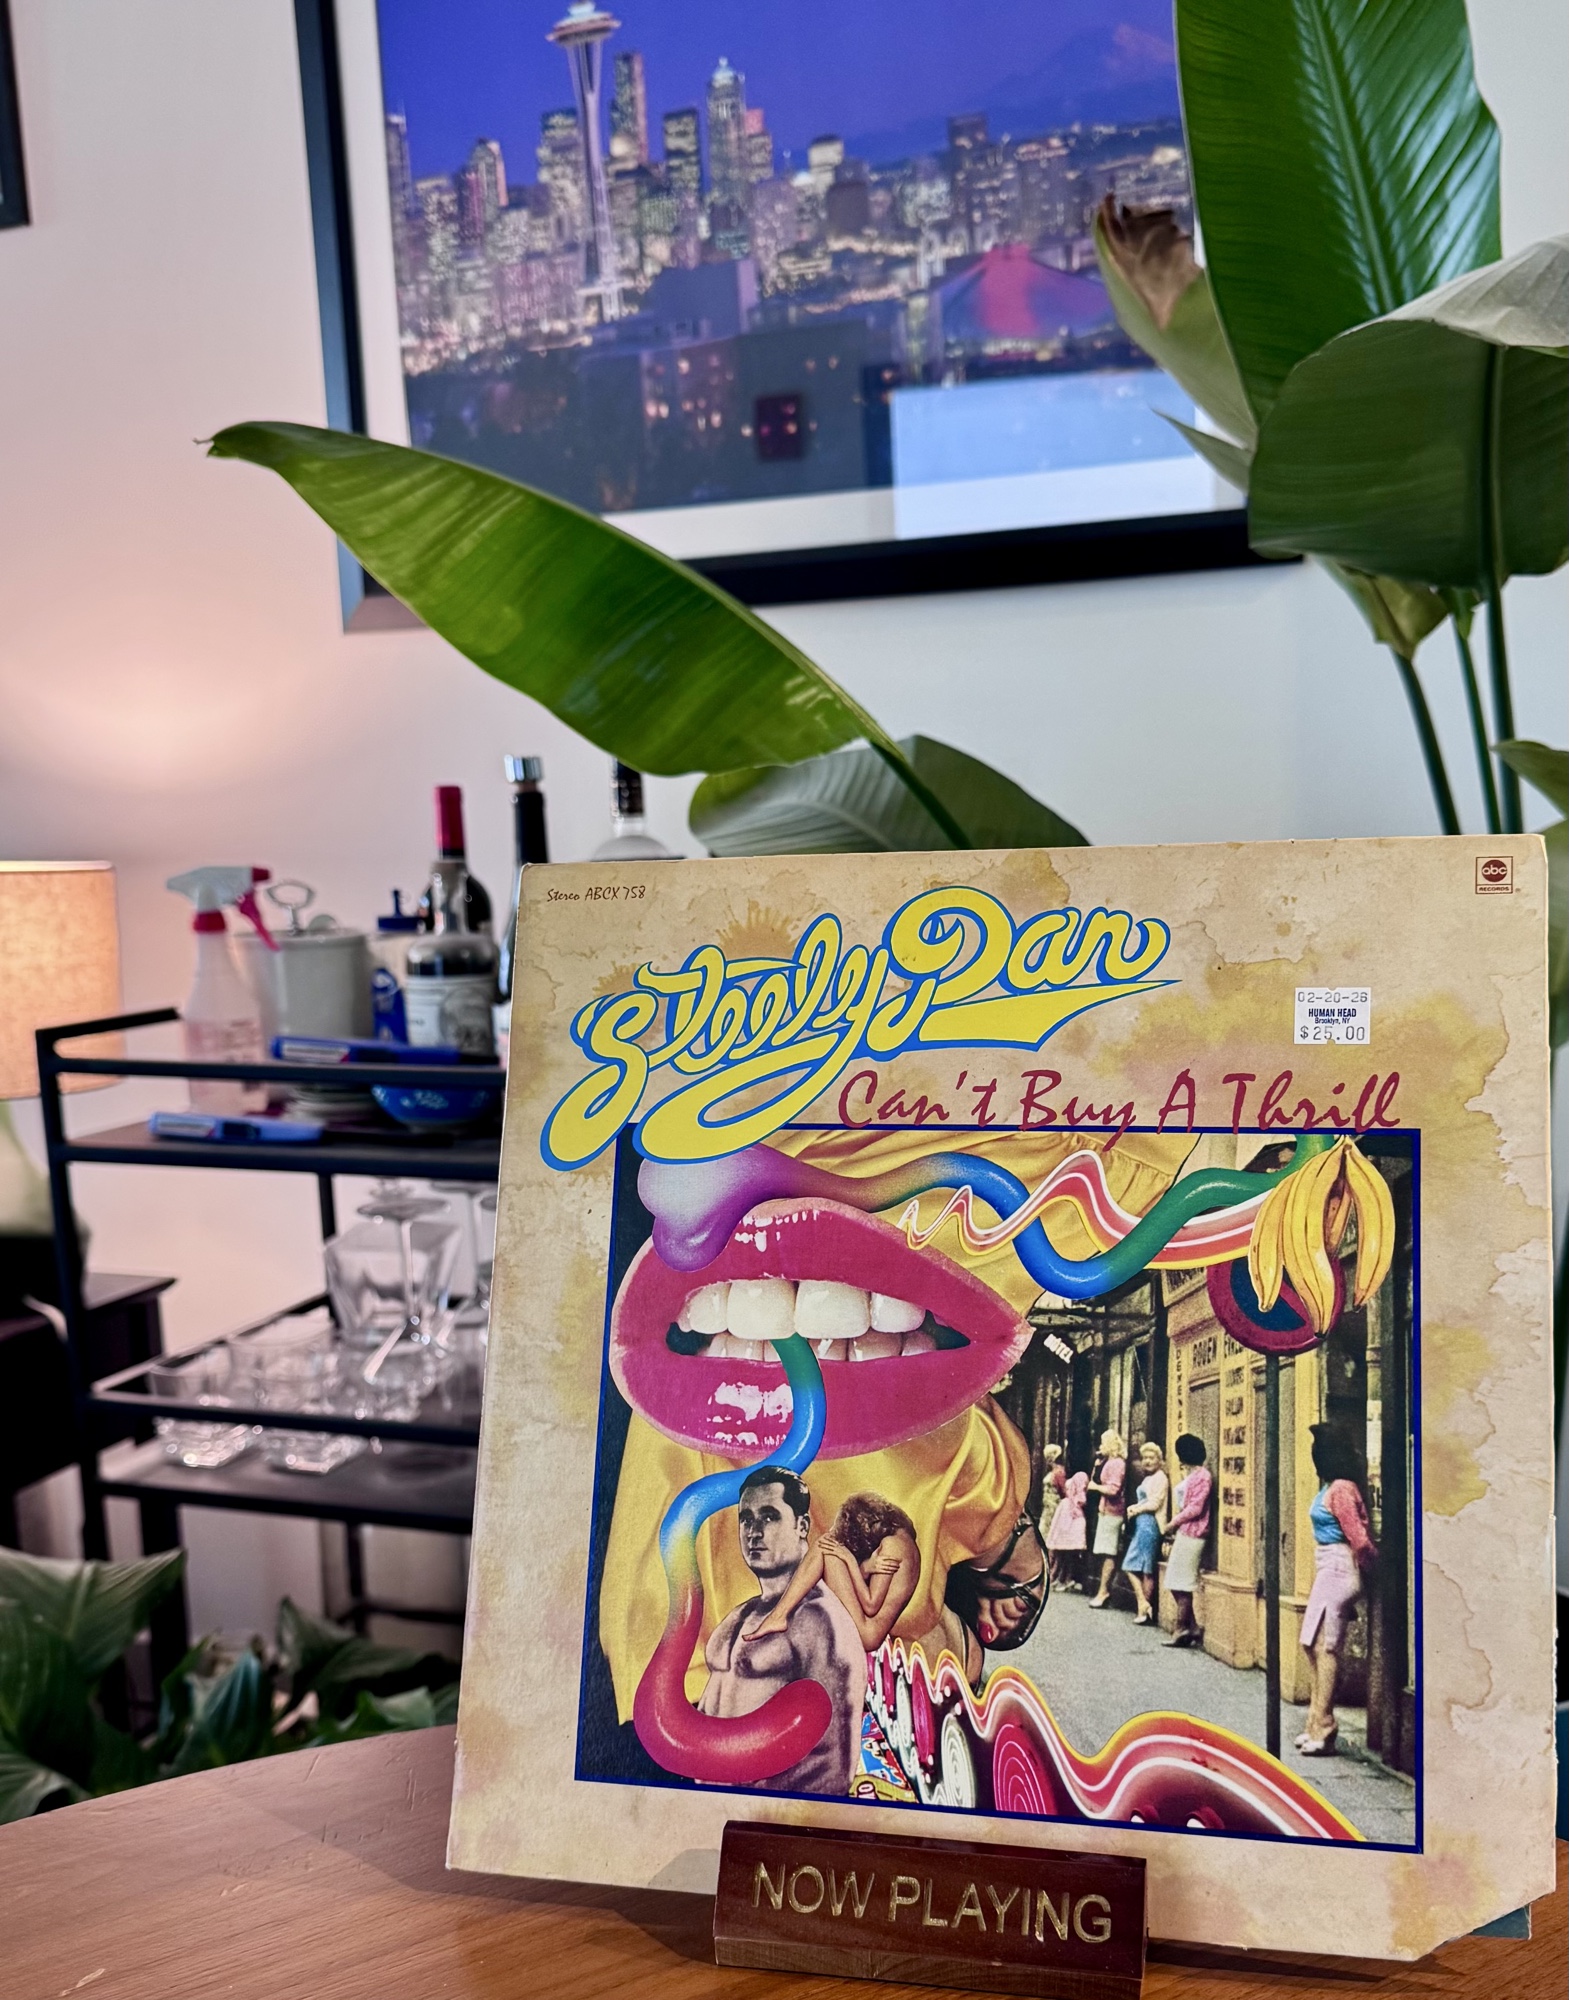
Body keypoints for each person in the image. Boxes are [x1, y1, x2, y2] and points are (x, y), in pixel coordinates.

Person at [698, 1465, 865, 1795]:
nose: (754, 1532)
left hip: (767, 1810)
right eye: (746, 1518)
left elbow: (836, 1761)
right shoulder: (742, 1613)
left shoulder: (820, 1619)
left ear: (802, 1526)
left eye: (769, 1516)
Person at [747, 1491, 920, 1654]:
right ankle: (779, 1615)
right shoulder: (905, 1542)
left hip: (866, 1632)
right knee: (827, 1545)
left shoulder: (891, 1545)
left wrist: (849, 1559)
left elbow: (871, 1605)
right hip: (868, 1629)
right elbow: (872, 1589)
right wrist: (865, 1567)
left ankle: (778, 1615)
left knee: (825, 1545)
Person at [1298, 1423, 1376, 1756]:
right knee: (1310, 1643)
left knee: (1326, 1647)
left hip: (1339, 1567)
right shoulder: (1331, 1486)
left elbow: (1359, 1539)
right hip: (1328, 1566)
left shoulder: (1341, 1489)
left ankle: (1324, 1723)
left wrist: (1372, 1571)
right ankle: (1315, 1720)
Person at [1160, 1434, 1212, 1647]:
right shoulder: (1194, 1474)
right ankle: (1192, 1626)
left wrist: (1173, 1523)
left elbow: (1195, 1508)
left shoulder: (1203, 1476)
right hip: (1186, 1532)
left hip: (1193, 1533)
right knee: (1175, 1580)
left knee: (1181, 1581)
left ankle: (1181, 1627)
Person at [1119, 1441, 1169, 1625]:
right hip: (1142, 1524)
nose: (1147, 1461)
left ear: (1159, 1460)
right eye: (1145, 1458)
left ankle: (1143, 1606)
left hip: (1150, 1525)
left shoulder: (1161, 1478)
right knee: (1135, 1566)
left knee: (1143, 1568)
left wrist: (1136, 1509)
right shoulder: (1148, 1478)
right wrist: (1135, 1508)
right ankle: (1144, 1606)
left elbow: (1155, 1503)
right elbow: (1146, 1500)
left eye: (1151, 1458)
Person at [1085, 1430, 1127, 1607]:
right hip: (1106, 1511)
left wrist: (1095, 1487)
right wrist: (1098, 1465)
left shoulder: (1116, 1463)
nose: (1100, 1446)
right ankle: (1102, 1590)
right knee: (1104, 1551)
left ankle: (1104, 1591)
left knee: (1109, 1552)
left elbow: (1113, 1489)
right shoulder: (1108, 1462)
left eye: (1103, 1442)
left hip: (1112, 1512)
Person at [1045, 1453, 1088, 1592]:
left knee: (1066, 1550)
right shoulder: (1065, 1475)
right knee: (1060, 1548)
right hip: (1062, 1512)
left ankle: (1063, 1578)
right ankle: (1057, 1577)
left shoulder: (1076, 1476)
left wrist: (1073, 1502)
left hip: (1067, 1514)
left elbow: (1078, 1496)